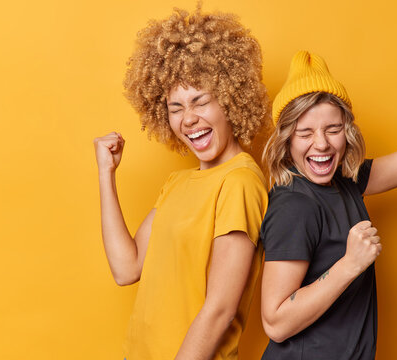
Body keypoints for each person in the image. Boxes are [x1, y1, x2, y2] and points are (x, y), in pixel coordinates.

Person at [92, 5, 270, 360]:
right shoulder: (177, 182)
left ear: (230, 100)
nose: (189, 119)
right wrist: (105, 174)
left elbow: (220, 309)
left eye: (199, 101)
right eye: (176, 108)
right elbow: (126, 268)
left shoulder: (241, 181)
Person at [259, 32, 397, 359]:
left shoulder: (345, 179)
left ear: (346, 131)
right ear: (287, 141)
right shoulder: (294, 205)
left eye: (332, 130)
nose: (321, 144)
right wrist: (349, 264)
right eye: (305, 133)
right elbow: (276, 322)